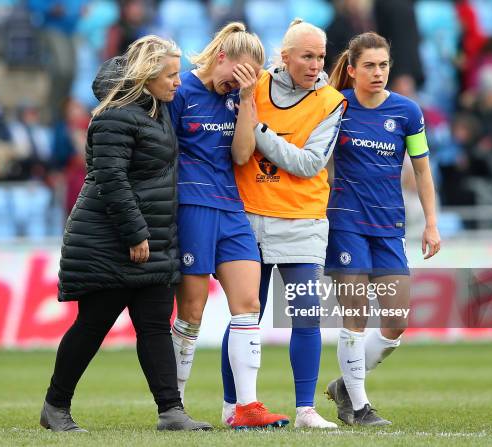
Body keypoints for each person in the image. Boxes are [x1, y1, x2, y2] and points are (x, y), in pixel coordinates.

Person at [40, 35, 211, 432]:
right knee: (93, 325)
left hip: (154, 241)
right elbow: (110, 179)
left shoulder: (159, 109)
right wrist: (135, 233)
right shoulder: (114, 115)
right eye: (169, 74)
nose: (177, 82)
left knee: (154, 325)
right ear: (146, 76)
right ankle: (55, 406)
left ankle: (171, 411)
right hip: (109, 241)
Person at [220, 19, 346, 429]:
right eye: (307, 56)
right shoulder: (253, 84)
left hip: (302, 219)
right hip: (249, 215)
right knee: (244, 318)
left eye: (321, 57)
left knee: (307, 316)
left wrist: (256, 129)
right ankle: (232, 406)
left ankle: (306, 409)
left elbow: (309, 164)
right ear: (285, 57)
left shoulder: (331, 102)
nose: (315, 64)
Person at [167, 22, 288, 429]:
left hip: (232, 208)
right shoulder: (180, 91)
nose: (237, 84)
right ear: (222, 57)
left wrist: (249, 96)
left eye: (250, 78)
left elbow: (241, 156)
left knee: (248, 304)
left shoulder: (241, 98)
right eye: (238, 74)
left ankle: (245, 407)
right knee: (192, 311)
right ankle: (174, 406)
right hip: (192, 205)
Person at [324, 32, 441, 426]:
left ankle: (345, 385)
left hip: (389, 225)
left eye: (384, 65)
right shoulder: (335, 106)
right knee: (354, 316)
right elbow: (317, 162)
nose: (378, 73)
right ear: (353, 69)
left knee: (395, 323)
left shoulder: (408, 112)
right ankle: (359, 408)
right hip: (345, 222)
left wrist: (431, 224)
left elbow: (422, 171)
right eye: (370, 66)